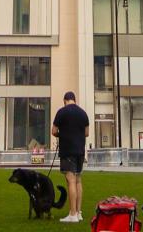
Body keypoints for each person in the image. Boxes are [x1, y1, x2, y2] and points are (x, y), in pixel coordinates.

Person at [52, 91, 89, 225]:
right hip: (80, 151)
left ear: (65, 100)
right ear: (74, 99)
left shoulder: (61, 112)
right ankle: (78, 213)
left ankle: (72, 214)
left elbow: (54, 131)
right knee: (78, 180)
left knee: (70, 181)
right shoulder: (83, 113)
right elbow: (86, 133)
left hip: (68, 151)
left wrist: (63, 134)